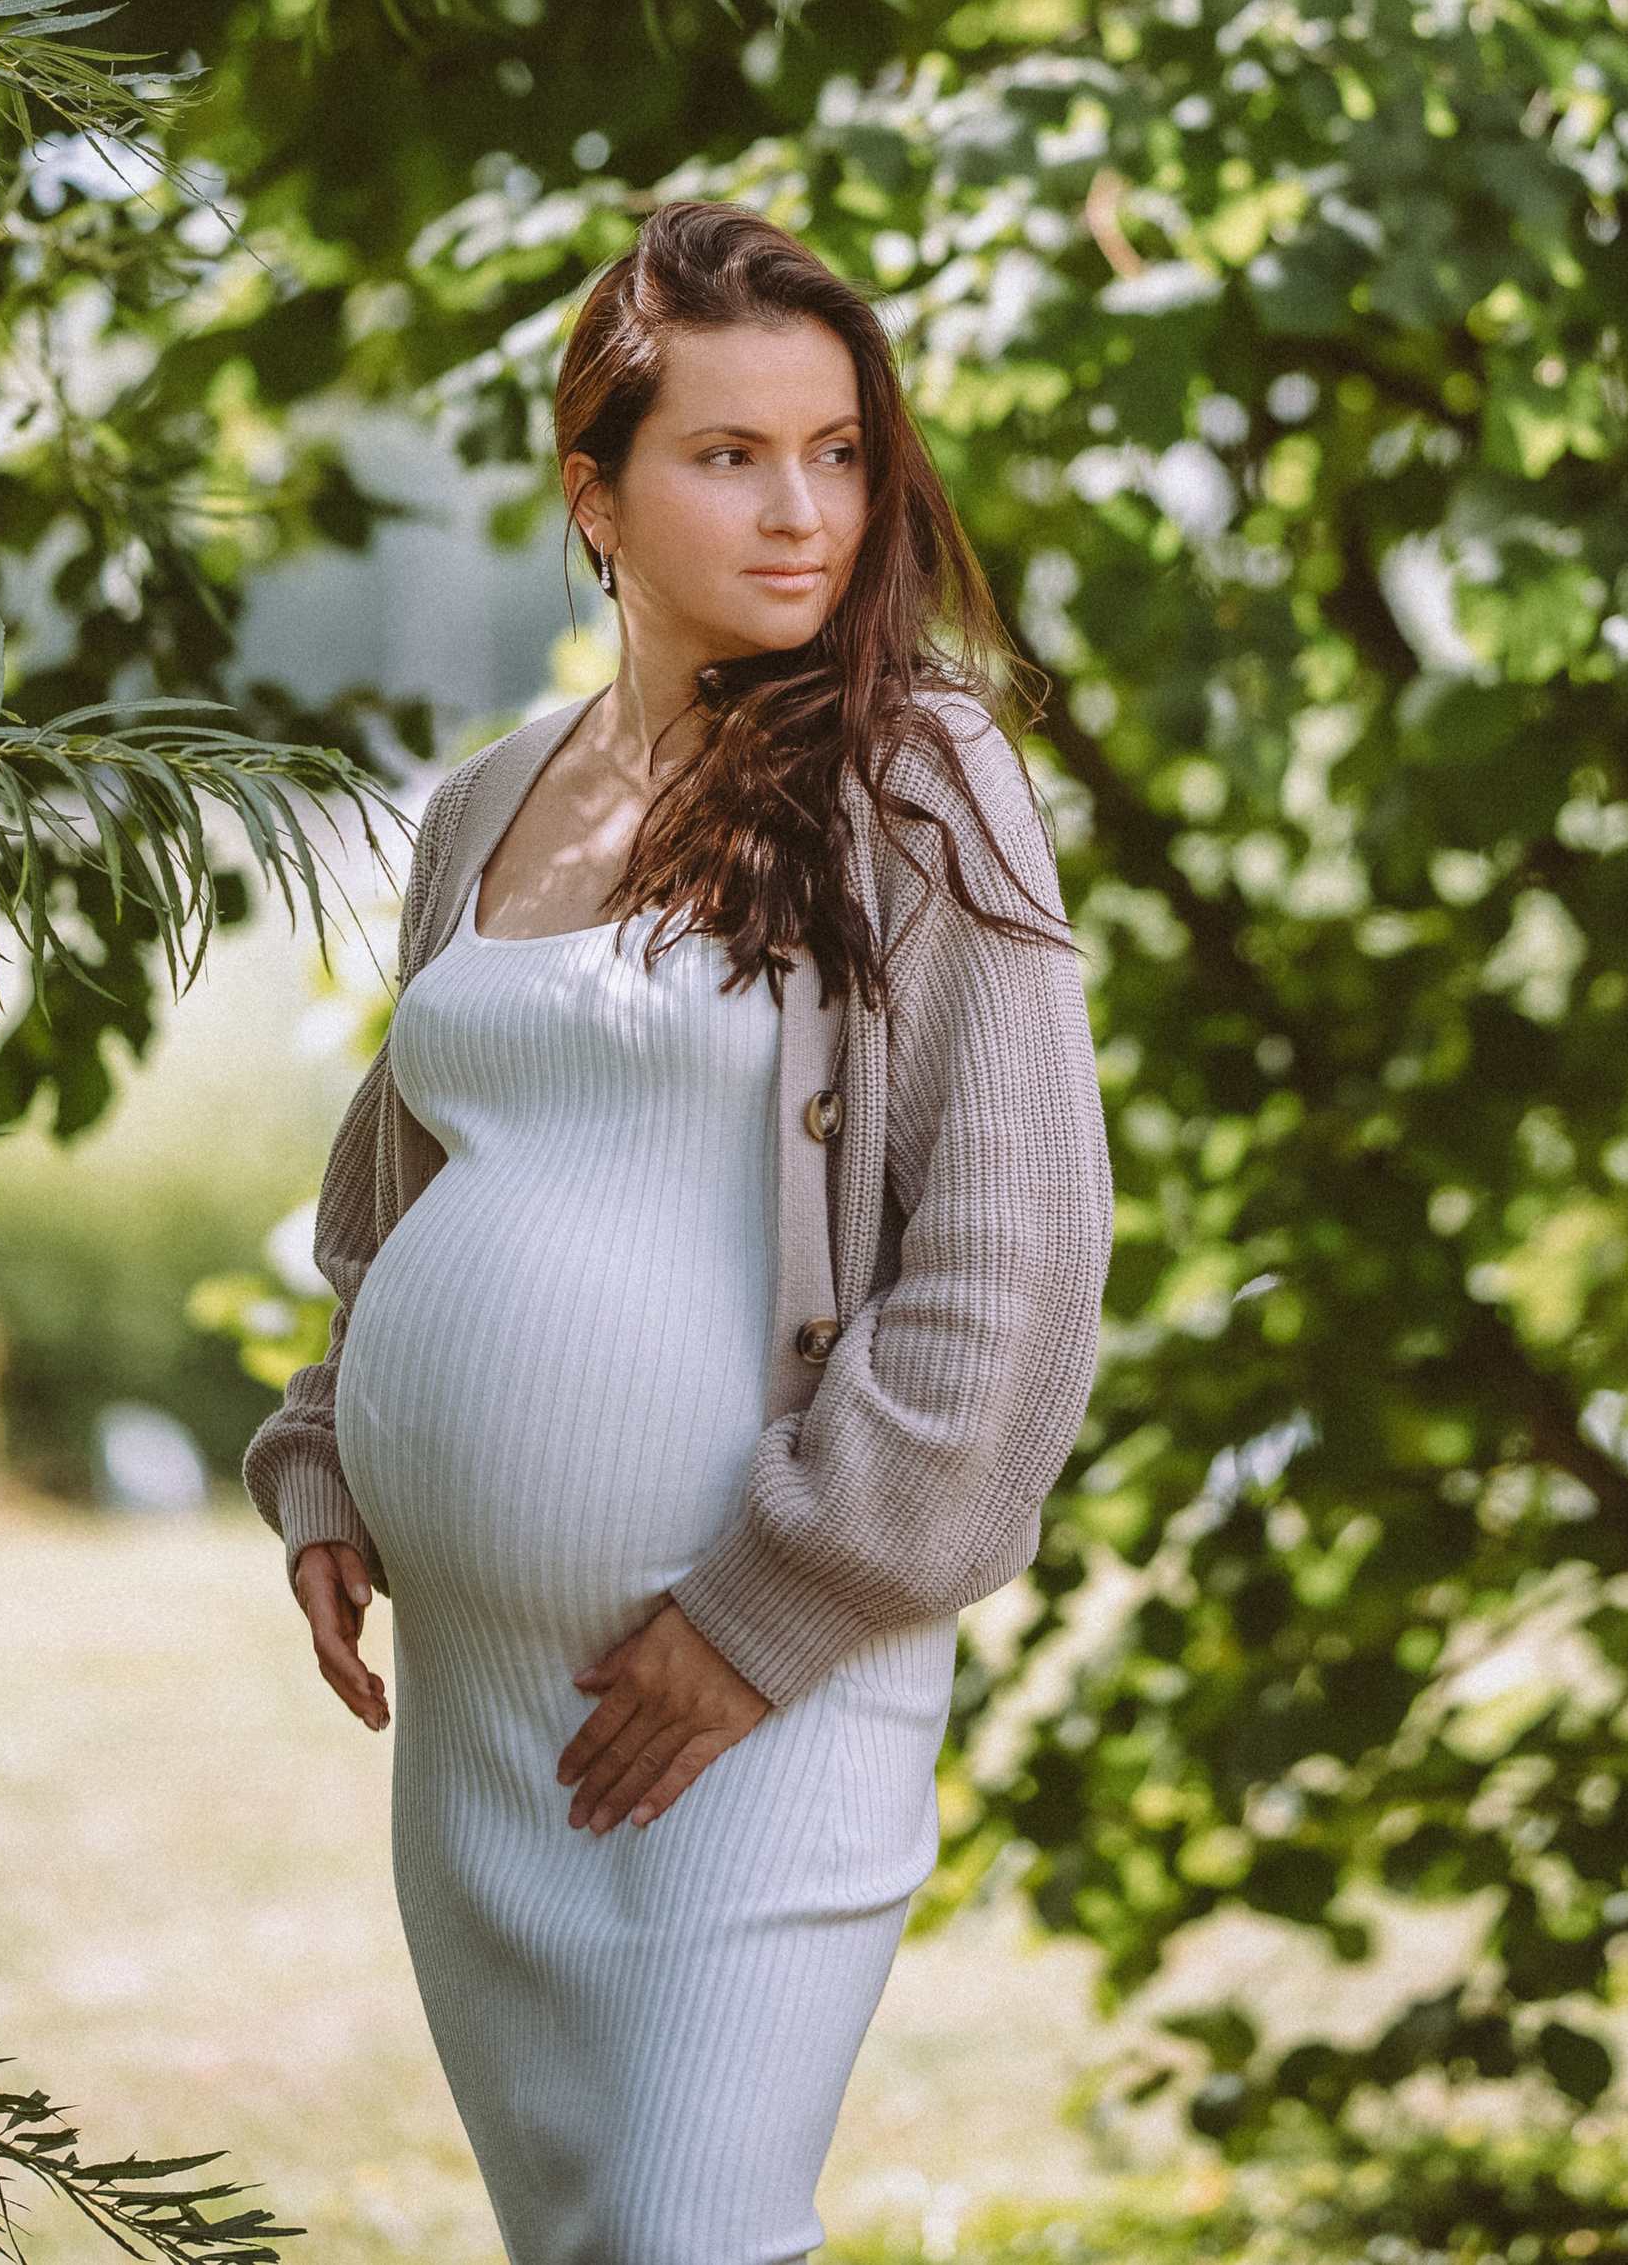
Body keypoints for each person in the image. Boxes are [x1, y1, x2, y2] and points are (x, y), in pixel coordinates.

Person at [243, 201, 1111, 2265]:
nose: (804, 512)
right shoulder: (487, 801)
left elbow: (1007, 1272)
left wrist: (758, 1614)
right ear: (595, 497)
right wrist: (323, 1462)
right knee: (583, 2240)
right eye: (729, 456)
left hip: (762, 1672)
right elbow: (399, 1204)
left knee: (690, 2230)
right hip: (487, 1707)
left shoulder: (920, 778)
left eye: (836, 450)